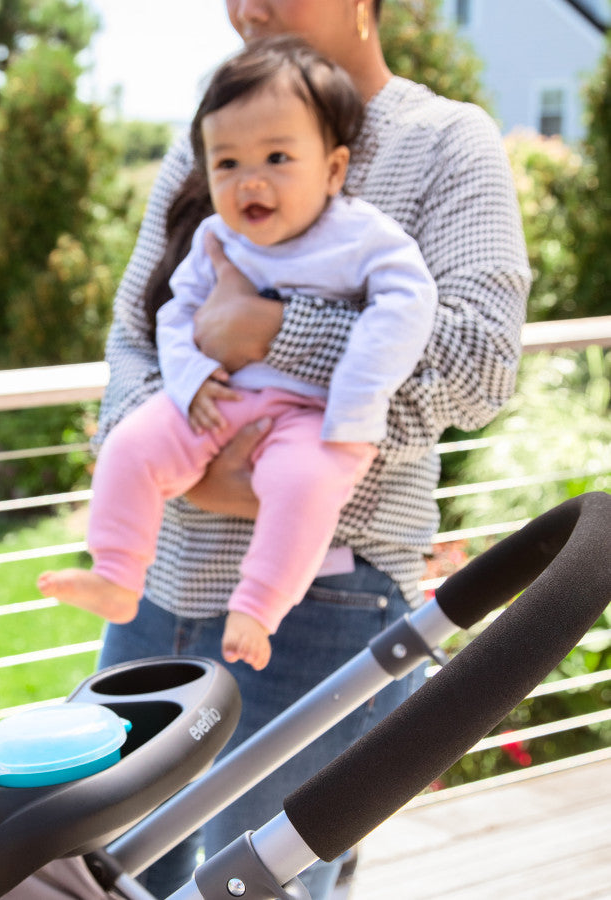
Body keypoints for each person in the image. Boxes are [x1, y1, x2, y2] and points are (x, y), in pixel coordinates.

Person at [91, 2, 531, 897]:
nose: (246, 8)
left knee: (257, 883)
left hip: (331, 601)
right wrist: (182, 450)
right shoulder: (210, 135)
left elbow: (481, 363)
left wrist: (273, 334)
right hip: (160, 590)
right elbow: (136, 335)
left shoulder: (447, 142)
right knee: (113, 872)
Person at [38, 38, 436, 672]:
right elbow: (173, 313)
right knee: (133, 445)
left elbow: (410, 304)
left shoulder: (362, 235)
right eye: (226, 164)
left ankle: (258, 606)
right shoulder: (216, 235)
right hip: (223, 396)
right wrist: (192, 378)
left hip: (316, 413)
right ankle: (115, 574)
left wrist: (356, 393)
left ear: (333, 170)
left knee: (303, 485)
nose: (250, 180)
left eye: (278, 158)